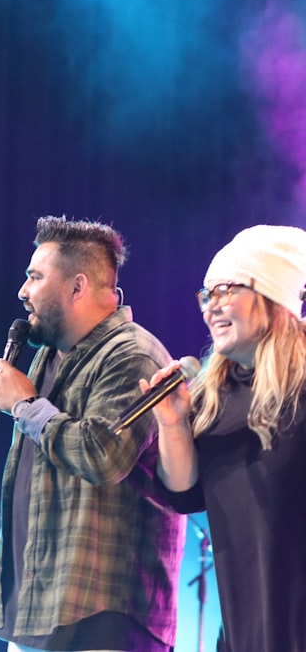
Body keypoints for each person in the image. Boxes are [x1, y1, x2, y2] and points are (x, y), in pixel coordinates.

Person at [0, 216, 185, 652]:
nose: (23, 291)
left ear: (77, 286)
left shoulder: (133, 354)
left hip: (105, 611)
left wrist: (24, 405)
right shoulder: (48, 356)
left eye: (35, 276)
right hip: (44, 605)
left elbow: (102, 454)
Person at [145, 224, 306, 652]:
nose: (210, 307)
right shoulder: (214, 396)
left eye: (227, 290)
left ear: (272, 296)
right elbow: (184, 495)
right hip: (241, 626)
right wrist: (173, 423)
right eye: (206, 295)